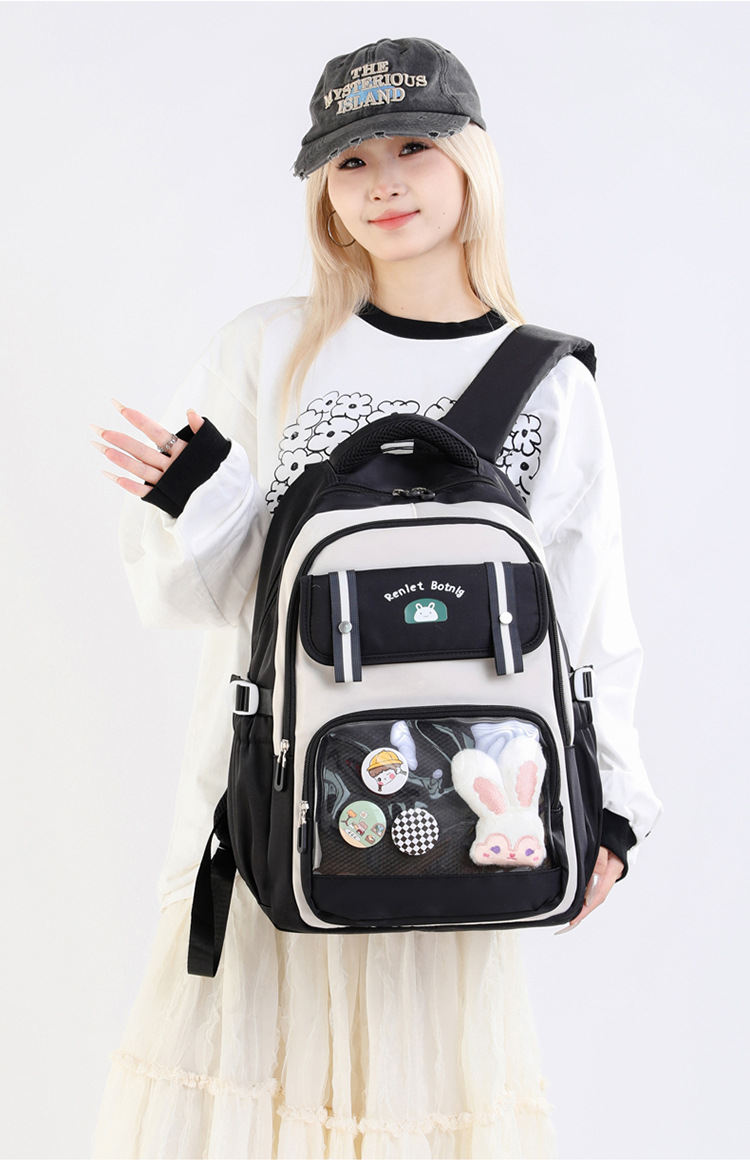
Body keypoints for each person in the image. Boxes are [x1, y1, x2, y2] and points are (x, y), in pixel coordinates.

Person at [91, 37, 662, 1160]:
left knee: (415, 1103)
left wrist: (615, 804)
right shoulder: (268, 351)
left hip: (472, 799)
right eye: (351, 162)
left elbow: (588, 607)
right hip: (274, 792)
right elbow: (222, 603)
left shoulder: (550, 381)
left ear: (471, 163)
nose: (383, 184)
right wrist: (195, 501)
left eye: (414, 149)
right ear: (323, 191)